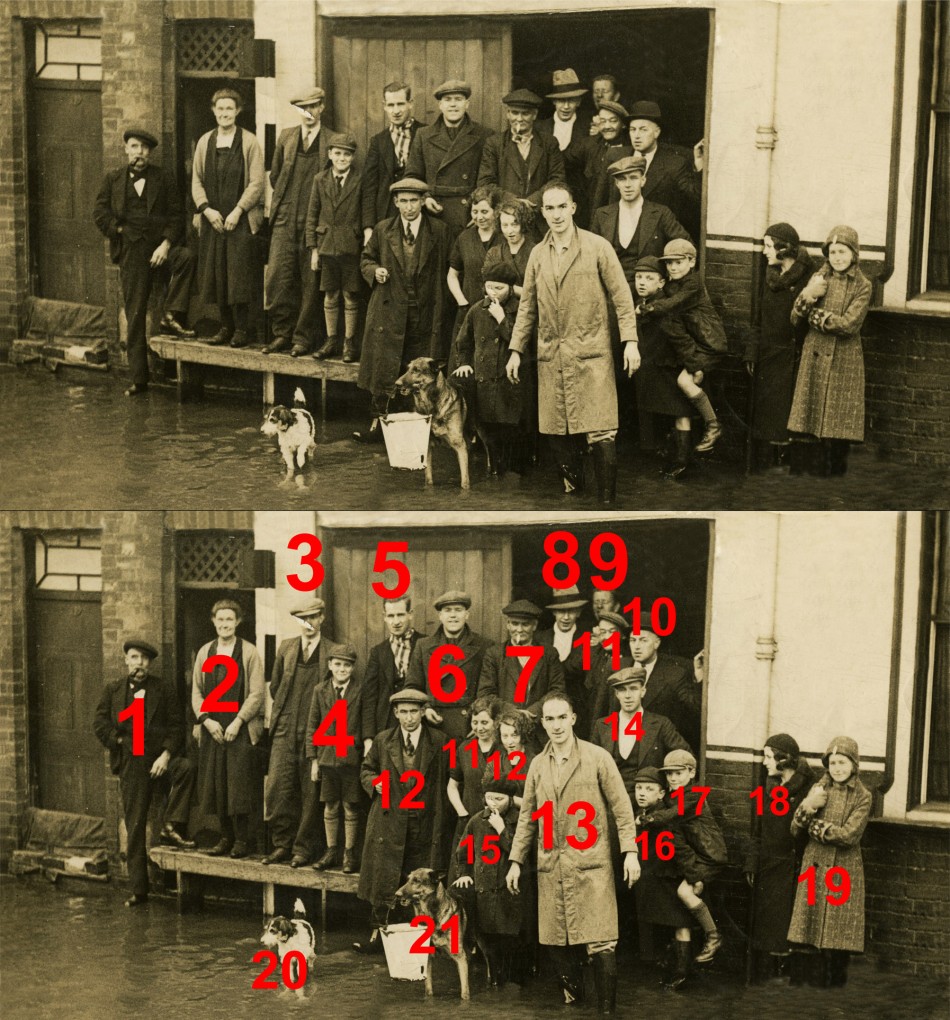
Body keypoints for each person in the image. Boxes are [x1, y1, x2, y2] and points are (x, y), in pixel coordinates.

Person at [507, 183, 640, 505]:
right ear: (543, 212)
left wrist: (630, 341)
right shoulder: (538, 254)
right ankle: (575, 495)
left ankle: (606, 503)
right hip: (552, 352)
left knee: (600, 427)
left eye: (561, 207)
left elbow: (622, 297)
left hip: (590, 352)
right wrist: (515, 349)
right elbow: (527, 306)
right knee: (556, 426)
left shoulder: (597, 247)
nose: (556, 215)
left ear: (573, 208)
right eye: (549, 208)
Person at [507, 692, 640, 1014]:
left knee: (601, 937)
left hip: (591, 863)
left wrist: (630, 851)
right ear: (543, 723)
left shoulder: (597, 758)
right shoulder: (538, 765)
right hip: (552, 863)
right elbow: (528, 816)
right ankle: (575, 1004)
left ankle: (606, 1012)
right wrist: (515, 860)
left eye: (562, 718)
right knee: (556, 937)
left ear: (573, 719)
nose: (556, 725)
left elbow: (622, 808)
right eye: (549, 719)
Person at [92, 127, 196, 396]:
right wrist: (118, 230)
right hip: (132, 253)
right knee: (135, 313)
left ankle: (171, 313)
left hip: (160, 248)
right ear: (126, 149)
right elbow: (100, 212)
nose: (140, 153)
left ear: (150, 152)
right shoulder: (113, 179)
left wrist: (166, 244)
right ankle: (139, 379)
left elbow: (177, 215)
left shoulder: (164, 178)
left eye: (145, 148)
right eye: (135, 147)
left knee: (186, 258)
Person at [93, 638, 196, 907]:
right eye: (135, 658)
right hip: (132, 763)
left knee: (186, 769)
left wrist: (166, 755)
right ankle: (139, 890)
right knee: (135, 824)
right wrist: (118, 740)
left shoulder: (163, 689)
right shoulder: (114, 690)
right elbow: (100, 723)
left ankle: (171, 823)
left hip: (159, 759)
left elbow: (177, 726)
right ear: (126, 660)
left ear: (150, 663)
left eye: (144, 659)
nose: (139, 663)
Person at [353, 178, 450, 444]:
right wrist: (375, 271)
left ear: (423, 202)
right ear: (395, 203)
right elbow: (366, 259)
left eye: (414, 201)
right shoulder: (383, 229)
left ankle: (420, 428)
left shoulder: (439, 231)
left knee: (418, 371)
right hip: (389, 311)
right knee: (385, 368)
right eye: (403, 201)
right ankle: (378, 424)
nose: (409, 207)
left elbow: (449, 266)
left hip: (424, 311)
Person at [356, 688, 449, 954]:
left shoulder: (439, 741)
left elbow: (450, 776)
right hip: (389, 821)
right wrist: (374, 782)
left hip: (423, 820)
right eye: (404, 712)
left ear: (423, 712)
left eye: (414, 712)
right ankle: (378, 935)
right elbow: (366, 769)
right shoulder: (383, 740)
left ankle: (422, 939)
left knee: (419, 881)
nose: (409, 718)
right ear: (396, 713)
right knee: (385, 878)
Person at [787, 225, 872, 477]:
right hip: (815, 353)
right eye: (832, 252)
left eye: (842, 252)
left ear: (854, 254)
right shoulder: (819, 278)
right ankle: (809, 473)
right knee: (809, 414)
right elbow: (794, 317)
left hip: (843, 358)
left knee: (837, 418)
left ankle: (835, 474)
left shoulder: (863, 285)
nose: (837, 258)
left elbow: (848, 325)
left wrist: (815, 316)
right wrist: (808, 294)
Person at [788, 735, 871, 988]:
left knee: (838, 928)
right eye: (833, 763)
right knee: (809, 923)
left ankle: (835, 985)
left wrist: (815, 827)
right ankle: (809, 985)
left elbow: (848, 836)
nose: (837, 768)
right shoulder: (818, 789)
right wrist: (809, 805)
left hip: (843, 868)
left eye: (842, 763)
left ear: (854, 765)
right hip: (814, 864)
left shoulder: (863, 796)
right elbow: (795, 828)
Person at [264, 597, 337, 867]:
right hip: (285, 726)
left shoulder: (332, 651)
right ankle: (282, 844)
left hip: (315, 728)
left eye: (313, 617)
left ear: (322, 618)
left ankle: (303, 848)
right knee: (278, 787)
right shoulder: (286, 648)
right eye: (303, 619)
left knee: (310, 790)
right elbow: (275, 687)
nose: (308, 623)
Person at [644, 749, 727, 984]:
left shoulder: (693, 796)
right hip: (698, 856)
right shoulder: (674, 797)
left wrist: (647, 818)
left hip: (710, 856)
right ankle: (686, 954)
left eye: (678, 773)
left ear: (691, 773)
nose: (672, 778)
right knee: (683, 897)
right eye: (669, 774)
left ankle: (714, 936)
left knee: (684, 892)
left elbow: (670, 815)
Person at [191, 600, 264, 858]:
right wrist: (206, 721)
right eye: (220, 619)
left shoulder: (249, 652)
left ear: (238, 622)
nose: (225, 624)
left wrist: (239, 721)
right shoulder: (205, 652)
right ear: (213, 621)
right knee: (217, 783)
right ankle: (226, 836)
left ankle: (242, 840)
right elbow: (197, 692)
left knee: (238, 784)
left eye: (229, 619)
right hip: (213, 728)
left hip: (238, 729)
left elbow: (257, 693)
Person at [263, 88, 335, 356]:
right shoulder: (286, 137)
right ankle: (282, 333)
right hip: (285, 215)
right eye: (302, 108)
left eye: (313, 106)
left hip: (314, 218)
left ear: (321, 107)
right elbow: (275, 176)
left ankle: (303, 338)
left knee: (310, 280)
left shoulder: (332, 141)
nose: (308, 113)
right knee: (279, 276)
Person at [191, 88, 264, 349]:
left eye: (229, 108)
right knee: (217, 273)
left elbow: (256, 182)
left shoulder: (249, 141)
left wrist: (238, 210)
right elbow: (196, 180)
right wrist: (207, 210)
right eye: (220, 108)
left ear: (238, 111)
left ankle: (242, 329)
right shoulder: (205, 142)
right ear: (214, 111)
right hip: (214, 220)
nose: (224, 113)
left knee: (238, 274)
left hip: (239, 221)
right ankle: (226, 326)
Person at [639, 239, 727, 456]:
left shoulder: (693, 284)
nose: (673, 267)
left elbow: (671, 304)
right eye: (669, 263)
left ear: (692, 262)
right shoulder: (673, 285)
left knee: (684, 381)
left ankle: (713, 425)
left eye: (678, 262)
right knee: (682, 385)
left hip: (710, 343)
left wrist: (647, 308)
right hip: (698, 342)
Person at [744, 223, 815, 473]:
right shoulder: (769, 276)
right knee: (770, 416)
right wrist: (752, 352)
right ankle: (772, 467)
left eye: (768, 246)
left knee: (790, 416)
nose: (764, 252)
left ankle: (788, 468)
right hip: (769, 357)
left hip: (795, 358)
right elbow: (758, 319)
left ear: (783, 249)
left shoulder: (809, 277)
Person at [744, 733, 814, 984]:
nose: (764, 763)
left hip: (795, 869)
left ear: (784, 759)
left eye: (768, 757)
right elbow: (757, 828)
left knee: (790, 927)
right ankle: (772, 978)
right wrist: (752, 863)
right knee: (770, 927)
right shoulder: (768, 787)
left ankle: (787, 979)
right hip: (769, 867)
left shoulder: (809, 788)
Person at [451, 257, 531, 476]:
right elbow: (463, 342)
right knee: (488, 430)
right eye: (489, 287)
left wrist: (502, 319)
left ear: (511, 288)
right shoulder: (477, 310)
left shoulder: (520, 310)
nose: (493, 293)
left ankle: (513, 476)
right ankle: (494, 472)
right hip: (484, 383)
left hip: (510, 383)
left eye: (499, 288)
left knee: (511, 430)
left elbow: (521, 341)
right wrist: (464, 363)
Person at [453, 775, 528, 986]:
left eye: (499, 799)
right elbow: (463, 852)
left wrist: (502, 829)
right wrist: (464, 873)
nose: (493, 803)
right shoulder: (476, 821)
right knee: (488, 941)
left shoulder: (520, 821)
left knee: (511, 941)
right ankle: (494, 983)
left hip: (511, 893)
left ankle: (513, 986)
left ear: (511, 799)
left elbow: (521, 852)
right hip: (484, 892)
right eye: (489, 798)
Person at [631, 766, 697, 984]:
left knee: (679, 922)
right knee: (665, 922)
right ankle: (672, 969)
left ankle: (682, 973)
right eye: (639, 788)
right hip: (653, 877)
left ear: (661, 793)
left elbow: (679, 849)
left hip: (669, 876)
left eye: (649, 789)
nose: (641, 793)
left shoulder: (663, 818)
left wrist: (693, 877)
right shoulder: (641, 814)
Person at [405, 80, 492, 240]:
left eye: (458, 99)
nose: (453, 104)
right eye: (447, 100)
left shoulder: (484, 135)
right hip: (434, 212)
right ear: (440, 105)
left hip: (469, 214)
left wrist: (479, 210)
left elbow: (487, 179)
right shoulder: (423, 135)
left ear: (467, 104)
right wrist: (426, 198)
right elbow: (412, 176)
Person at [589, 665, 691, 800]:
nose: (628, 696)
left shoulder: (660, 724)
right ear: (616, 694)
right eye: (622, 690)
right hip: (610, 799)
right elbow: (590, 766)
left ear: (643, 691)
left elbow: (686, 758)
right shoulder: (602, 725)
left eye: (633, 689)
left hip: (647, 803)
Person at [305, 132, 363, 363]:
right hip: (327, 246)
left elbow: (365, 211)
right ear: (330, 154)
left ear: (353, 157)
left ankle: (349, 342)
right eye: (337, 153)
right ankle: (331, 340)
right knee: (330, 293)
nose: (341, 158)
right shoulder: (320, 179)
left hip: (351, 246)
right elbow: (312, 215)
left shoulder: (359, 179)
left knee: (350, 294)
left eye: (347, 154)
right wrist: (313, 248)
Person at [307, 642, 363, 874]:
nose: (342, 669)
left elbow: (364, 723)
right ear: (330, 665)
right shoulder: (320, 691)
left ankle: (349, 853)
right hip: (327, 758)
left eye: (347, 665)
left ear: (353, 668)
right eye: (338, 664)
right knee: (330, 804)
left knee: (350, 805)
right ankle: (331, 851)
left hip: (350, 758)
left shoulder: (359, 691)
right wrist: (313, 759)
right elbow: (312, 725)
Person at [476, 89, 565, 236]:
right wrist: (513, 201)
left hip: (540, 223)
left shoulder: (549, 143)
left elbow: (558, 179)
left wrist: (533, 201)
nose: (519, 118)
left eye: (525, 113)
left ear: (534, 115)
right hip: (505, 222)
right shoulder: (494, 144)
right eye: (515, 113)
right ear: (508, 114)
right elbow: (485, 182)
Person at [405, 590, 490, 740]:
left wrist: (479, 721)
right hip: (434, 723)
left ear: (467, 614)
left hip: (469, 724)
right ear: (440, 616)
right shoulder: (423, 645)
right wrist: (426, 709)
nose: (453, 615)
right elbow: (413, 686)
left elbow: (487, 689)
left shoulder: (484, 645)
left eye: (458, 610)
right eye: (447, 610)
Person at [591, 155, 690, 280]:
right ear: (617, 183)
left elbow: (686, 247)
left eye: (633, 178)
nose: (628, 185)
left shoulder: (661, 213)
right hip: (610, 284)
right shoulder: (602, 215)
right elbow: (590, 254)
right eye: (622, 179)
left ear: (643, 180)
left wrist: (669, 275)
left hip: (648, 286)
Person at [476, 599, 565, 733]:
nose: (519, 629)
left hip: (540, 728)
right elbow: (485, 693)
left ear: (534, 626)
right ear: (508, 624)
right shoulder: (495, 654)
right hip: (505, 730)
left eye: (525, 624)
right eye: (515, 623)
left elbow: (558, 690)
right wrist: (513, 712)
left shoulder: (549, 654)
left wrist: (533, 711)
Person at [446, 694, 503, 883]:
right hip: (469, 821)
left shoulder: (505, 748)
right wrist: (462, 813)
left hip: (498, 822)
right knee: (464, 877)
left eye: (484, 722)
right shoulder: (464, 749)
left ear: (496, 722)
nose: (479, 728)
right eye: (475, 722)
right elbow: (452, 786)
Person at [626, 101, 703, 241]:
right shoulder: (615, 156)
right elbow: (601, 201)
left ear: (657, 132)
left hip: (656, 240)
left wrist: (699, 164)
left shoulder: (674, 164)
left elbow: (696, 198)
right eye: (632, 129)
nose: (636, 135)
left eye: (643, 130)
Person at [628, 610, 702, 753]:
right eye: (633, 640)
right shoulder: (616, 667)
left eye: (643, 640)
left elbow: (696, 710)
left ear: (657, 643)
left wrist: (698, 677)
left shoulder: (674, 674)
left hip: (656, 752)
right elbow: (600, 713)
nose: (637, 646)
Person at [361, 81, 425, 242]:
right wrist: (368, 228)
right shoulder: (378, 141)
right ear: (384, 106)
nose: (395, 111)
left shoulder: (426, 133)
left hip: (420, 213)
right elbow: (369, 187)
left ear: (410, 103)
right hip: (387, 215)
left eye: (400, 104)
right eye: (390, 105)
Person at [360, 596, 424, 753]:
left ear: (410, 614)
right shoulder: (378, 652)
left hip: (420, 724)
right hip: (387, 726)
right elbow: (369, 697)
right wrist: (368, 738)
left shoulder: (425, 644)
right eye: (390, 616)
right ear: (384, 617)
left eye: (400, 615)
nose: (396, 622)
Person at [537, 69, 593, 227]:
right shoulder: (540, 128)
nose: (566, 106)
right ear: (554, 102)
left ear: (579, 102)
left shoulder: (589, 127)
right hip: (546, 199)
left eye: (571, 100)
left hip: (579, 201)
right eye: (561, 100)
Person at [446, 185, 502, 339]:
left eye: (484, 212)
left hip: (498, 310)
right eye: (475, 212)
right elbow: (452, 275)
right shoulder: (465, 238)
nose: (479, 217)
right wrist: (462, 302)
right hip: (469, 309)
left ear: (496, 211)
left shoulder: (504, 237)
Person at [536, 586, 590, 727]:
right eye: (561, 611)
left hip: (578, 711)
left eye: (571, 611)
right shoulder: (540, 639)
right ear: (554, 612)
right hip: (544, 709)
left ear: (578, 612)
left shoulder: (588, 639)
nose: (566, 617)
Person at [585, 610, 632, 734]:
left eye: (612, 632)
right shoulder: (598, 655)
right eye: (602, 632)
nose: (606, 637)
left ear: (623, 635)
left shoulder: (626, 659)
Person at [583, 102, 633, 218]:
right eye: (602, 121)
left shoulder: (633, 147)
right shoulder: (591, 145)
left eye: (613, 121)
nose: (607, 126)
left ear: (623, 124)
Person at [485, 195, 537, 295]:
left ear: (523, 223)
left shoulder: (536, 252)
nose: (509, 231)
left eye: (514, 224)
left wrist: (510, 289)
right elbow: (488, 287)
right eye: (505, 225)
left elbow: (540, 291)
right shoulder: (494, 253)